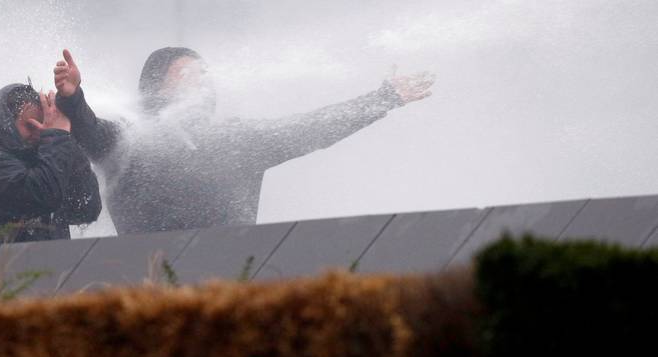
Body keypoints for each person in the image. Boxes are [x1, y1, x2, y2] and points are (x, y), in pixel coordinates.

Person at [53, 48, 434, 236]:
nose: (203, 80)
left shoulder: (235, 140)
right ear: (155, 84)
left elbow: (313, 127)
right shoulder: (131, 140)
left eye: (205, 73)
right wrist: (73, 97)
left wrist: (383, 98)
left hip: (235, 278)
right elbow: (90, 132)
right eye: (187, 74)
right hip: (147, 283)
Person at [0, 83, 101, 244]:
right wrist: (58, 137)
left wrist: (67, 140)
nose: (38, 133)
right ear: (7, 120)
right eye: (30, 125)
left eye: (44, 126)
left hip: (43, 264)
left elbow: (86, 208)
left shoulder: (45, 149)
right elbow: (41, 196)